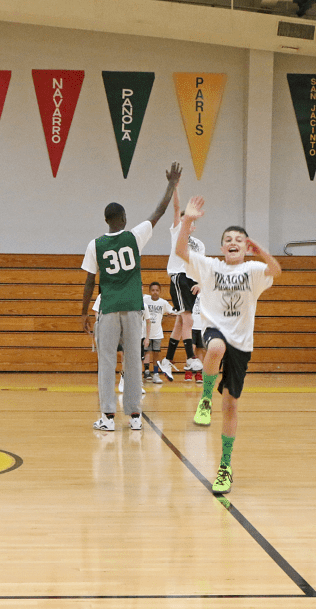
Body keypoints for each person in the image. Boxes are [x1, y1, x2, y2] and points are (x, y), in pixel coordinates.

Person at [178, 196, 281, 495]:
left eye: (239, 239)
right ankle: (205, 397)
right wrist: (187, 220)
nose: (233, 242)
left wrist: (263, 253)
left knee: (232, 406)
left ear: (246, 247)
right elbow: (180, 249)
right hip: (215, 332)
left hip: (243, 344)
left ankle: (225, 466)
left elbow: (276, 271)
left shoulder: (252, 270)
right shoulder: (210, 267)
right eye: (228, 239)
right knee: (214, 348)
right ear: (222, 247)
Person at [81, 163, 180, 432]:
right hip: (135, 307)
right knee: (134, 362)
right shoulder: (134, 237)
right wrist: (171, 183)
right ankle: (135, 416)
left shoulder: (95, 244)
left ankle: (108, 418)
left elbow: (90, 281)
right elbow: (158, 213)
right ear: (123, 218)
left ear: (105, 221)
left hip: (109, 308)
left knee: (107, 363)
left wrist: (83, 313)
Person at [160, 184, 204, 381]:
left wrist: (201, 283)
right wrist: (176, 186)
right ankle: (190, 357)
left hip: (192, 282)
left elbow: (201, 266)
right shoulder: (178, 231)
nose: (189, 223)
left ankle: (167, 360)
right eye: (187, 219)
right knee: (188, 319)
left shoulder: (199, 244)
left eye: (192, 220)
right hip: (179, 277)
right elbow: (177, 208)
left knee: (180, 321)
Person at [142, 282, 176, 384]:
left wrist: (175, 313)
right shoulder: (145, 300)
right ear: (149, 291)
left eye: (157, 290)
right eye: (153, 290)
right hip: (145, 332)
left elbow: (172, 310)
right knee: (146, 352)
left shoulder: (163, 303)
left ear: (160, 291)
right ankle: (147, 372)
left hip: (157, 333)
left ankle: (156, 373)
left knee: (156, 353)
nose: (155, 292)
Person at [189, 293, 205, 382]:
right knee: (191, 349)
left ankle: (199, 373)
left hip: (202, 326)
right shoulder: (191, 291)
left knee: (200, 350)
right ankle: (188, 371)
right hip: (192, 326)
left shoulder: (207, 291)